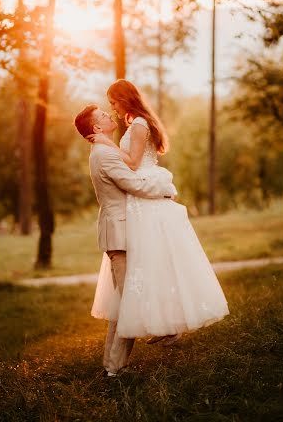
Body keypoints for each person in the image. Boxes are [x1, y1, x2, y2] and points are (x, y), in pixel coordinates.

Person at [89, 79, 229, 343]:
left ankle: (168, 325)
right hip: (138, 199)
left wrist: (107, 145)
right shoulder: (136, 124)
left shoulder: (140, 124)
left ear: (125, 99)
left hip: (145, 198)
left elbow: (132, 163)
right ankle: (162, 324)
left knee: (153, 261)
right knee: (151, 264)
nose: (113, 108)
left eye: (114, 102)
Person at [74, 104, 177, 376]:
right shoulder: (105, 154)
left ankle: (114, 365)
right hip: (118, 233)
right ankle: (116, 367)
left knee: (126, 298)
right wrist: (165, 189)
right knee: (128, 299)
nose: (110, 115)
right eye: (104, 116)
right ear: (96, 128)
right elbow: (133, 184)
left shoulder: (104, 150)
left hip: (123, 230)